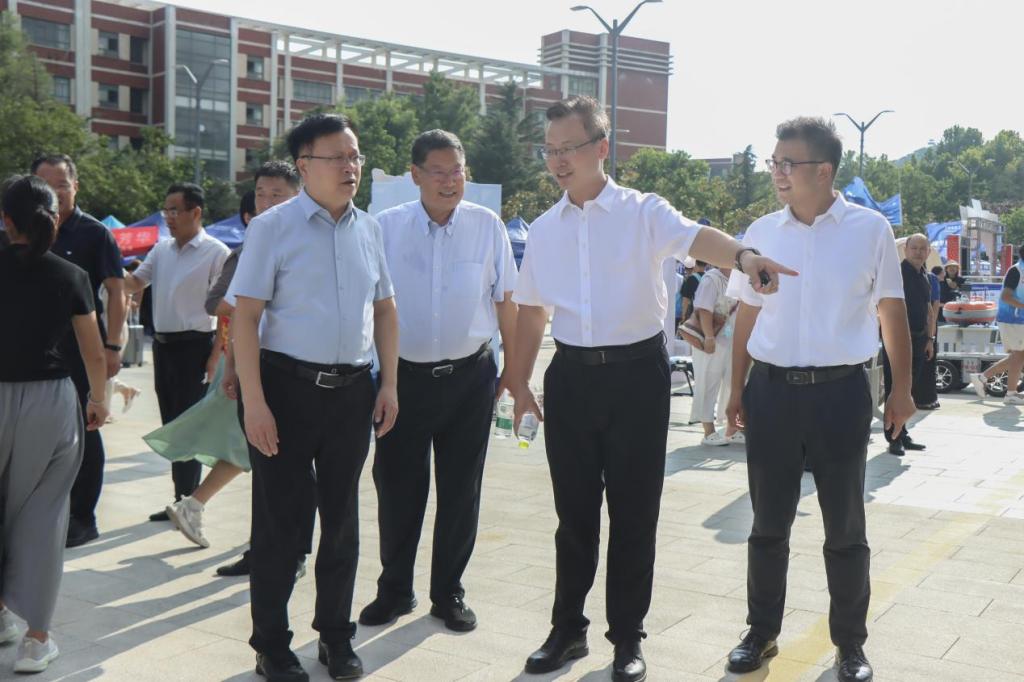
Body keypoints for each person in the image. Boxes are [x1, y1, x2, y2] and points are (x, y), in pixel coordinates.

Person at [507, 96, 792, 682]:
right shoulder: (545, 229)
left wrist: (743, 255)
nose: (558, 161)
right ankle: (567, 630)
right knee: (573, 517)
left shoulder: (643, 212)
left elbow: (697, 238)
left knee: (634, 515)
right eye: (550, 150)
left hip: (636, 377)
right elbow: (532, 311)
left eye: (569, 148)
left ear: (601, 147)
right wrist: (520, 382)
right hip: (571, 379)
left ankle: (627, 639)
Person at [723, 117, 914, 682]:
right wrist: (736, 389)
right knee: (767, 525)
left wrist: (901, 391)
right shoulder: (761, 231)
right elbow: (746, 316)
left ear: (824, 171)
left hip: (841, 394)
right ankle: (760, 633)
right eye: (774, 162)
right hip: (771, 393)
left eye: (788, 163)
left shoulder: (869, 229)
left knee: (846, 528)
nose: (777, 172)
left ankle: (850, 645)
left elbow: (892, 310)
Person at [229, 113, 399, 682]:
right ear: (305, 166)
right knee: (280, 522)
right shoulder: (272, 228)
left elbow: (385, 310)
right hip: (284, 391)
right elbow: (245, 318)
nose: (351, 167)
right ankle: (271, 645)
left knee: (342, 521)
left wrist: (389, 384)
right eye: (338, 157)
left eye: (355, 156)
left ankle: (336, 636)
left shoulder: (368, 229)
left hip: (352, 393)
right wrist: (255, 403)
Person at [359, 130, 518, 633]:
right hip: (401, 380)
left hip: (471, 378)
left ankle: (448, 592)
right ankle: (394, 589)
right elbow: (370, 306)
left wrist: (516, 372)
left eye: (457, 171)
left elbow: (506, 300)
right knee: (397, 488)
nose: (450, 182)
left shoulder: (487, 226)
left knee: (460, 490)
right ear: (415, 175)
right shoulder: (386, 227)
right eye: (438, 172)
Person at [147, 162, 302, 555]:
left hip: (294, 368)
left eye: (277, 195)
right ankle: (262, 541)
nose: (267, 202)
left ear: (298, 196)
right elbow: (225, 307)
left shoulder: (308, 243)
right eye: (261, 195)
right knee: (257, 447)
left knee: (258, 449)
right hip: (259, 366)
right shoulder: (247, 251)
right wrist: (230, 362)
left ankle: (208, 511)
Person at [0, 176, 110, 673]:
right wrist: (99, 399)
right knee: (44, 515)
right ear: (55, 217)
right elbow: (93, 351)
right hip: (51, 403)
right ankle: (36, 639)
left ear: (6, 220)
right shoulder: (71, 275)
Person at [32, 154, 125, 548]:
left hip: (82, 349)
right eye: (46, 185)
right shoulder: (22, 231)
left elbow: (117, 292)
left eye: (62, 185)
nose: (55, 193)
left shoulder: (95, 234)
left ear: (76, 186)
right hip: (34, 349)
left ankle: (83, 517)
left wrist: (113, 346)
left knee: (85, 430)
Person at [123, 183, 230, 520]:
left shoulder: (216, 252)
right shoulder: (161, 250)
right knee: (172, 423)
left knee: (188, 426)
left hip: (196, 347)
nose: (168, 217)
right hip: (164, 347)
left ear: (195, 212)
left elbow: (225, 311)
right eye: (166, 210)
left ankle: (187, 502)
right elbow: (135, 283)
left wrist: (215, 356)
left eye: (174, 210)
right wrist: (107, 270)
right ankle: (179, 499)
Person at [883, 233, 931, 456]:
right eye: (914, 248)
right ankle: (893, 438)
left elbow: (928, 308)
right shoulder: (898, 274)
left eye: (923, 248)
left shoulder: (924, 275)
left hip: (919, 339)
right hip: (898, 341)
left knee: (908, 389)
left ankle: (902, 433)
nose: (918, 252)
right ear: (905, 250)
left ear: (928, 252)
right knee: (895, 388)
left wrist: (929, 339)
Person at [687, 266, 743, 446]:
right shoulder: (712, 279)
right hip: (711, 340)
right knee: (708, 383)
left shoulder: (737, 279)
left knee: (731, 383)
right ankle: (708, 431)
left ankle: (731, 428)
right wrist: (709, 337)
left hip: (729, 340)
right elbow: (704, 309)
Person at [970, 244, 1024, 405]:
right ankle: (1011, 393)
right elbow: (1006, 297)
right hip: (1012, 319)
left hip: (1018, 320)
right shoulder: (1016, 271)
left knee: (1018, 356)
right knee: (1019, 355)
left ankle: (982, 377)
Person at [914, 266, 943, 410]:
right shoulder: (931, 278)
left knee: (925, 362)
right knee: (926, 363)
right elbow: (935, 303)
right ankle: (927, 398)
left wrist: (931, 329)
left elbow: (935, 304)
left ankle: (926, 398)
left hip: (924, 325)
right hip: (925, 325)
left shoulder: (930, 278)